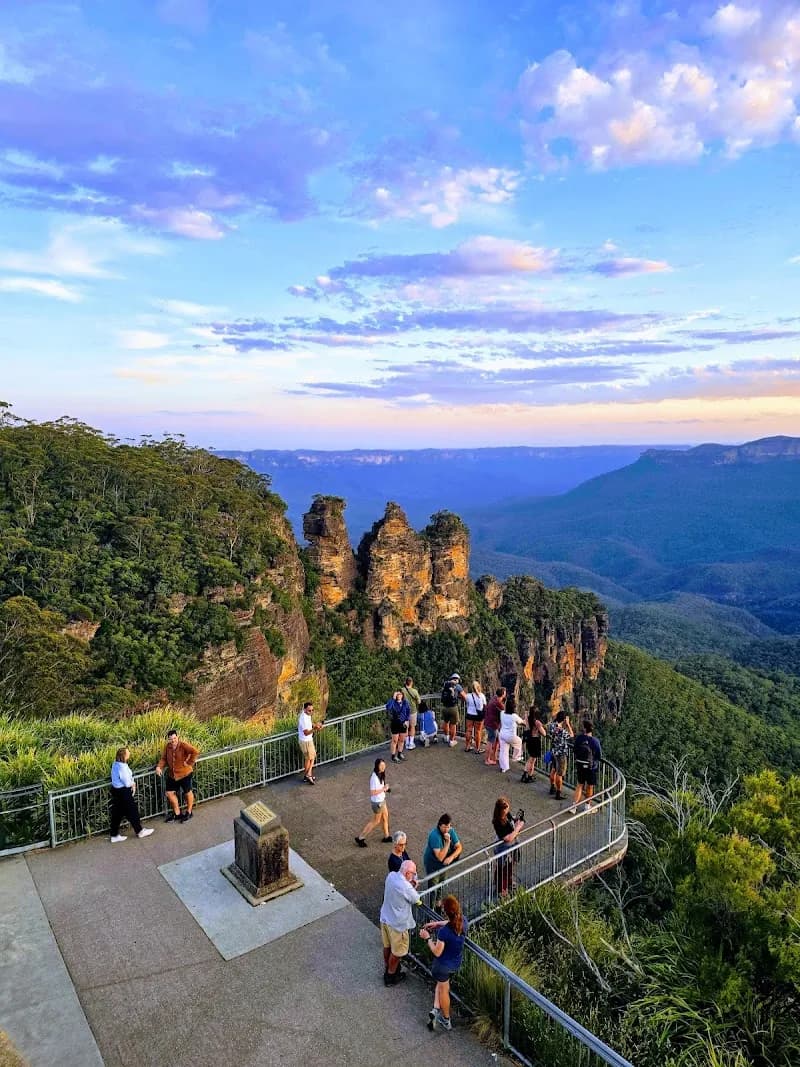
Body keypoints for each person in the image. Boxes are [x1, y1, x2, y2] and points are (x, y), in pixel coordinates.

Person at [421, 895, 468, 1032]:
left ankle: (446, 1019)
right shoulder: (463, 922)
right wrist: (437, 923)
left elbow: (437, 952)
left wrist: (428, 938)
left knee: (443, 990)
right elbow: (451, 922)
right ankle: (435, 1009)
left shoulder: (444, 933)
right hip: (455, 963)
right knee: (442, 986)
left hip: (441, 966)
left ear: (446, 913)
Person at [379, 859, 421, 985]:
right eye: (413, 874)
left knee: (387, 946)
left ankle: (388, 967)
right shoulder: (406, 887)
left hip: (385, 918)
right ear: (408, 873)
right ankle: (391, 975)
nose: (414, 876)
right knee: (397, 952)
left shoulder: (391, 876)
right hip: (398, 925)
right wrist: (414, 886)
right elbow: (417, 900)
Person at [109, 747, 154, 843]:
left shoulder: (115, 764)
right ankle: (140, 831)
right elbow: (126, 782)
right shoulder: (122, 767)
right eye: (128, 752)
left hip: (116, 791)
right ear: (124, 755)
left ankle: (114, 835)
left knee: (117, 813)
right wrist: (133, 784)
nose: (129, 753)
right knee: (132, 811)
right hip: (123, 792)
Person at [156, 728, 200, 822]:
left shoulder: (183, 745)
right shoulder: (168, 747)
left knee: (187, 792)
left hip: (185, 774)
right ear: (168, 739)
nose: (173, 741)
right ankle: (177, 813)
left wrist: (189, 762)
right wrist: (159, 767)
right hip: (173, 775)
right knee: (169, 793)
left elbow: (195, 752)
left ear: (177, 737)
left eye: (175, 738)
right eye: (171, 739)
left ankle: (189, 812)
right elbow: (164, 758)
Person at [355, 758, 393, 847]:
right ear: (377, 766)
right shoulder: (374, 778)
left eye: (384, 765)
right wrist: (384, 789)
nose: (383, 767)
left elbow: (380, 787)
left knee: (385, 817)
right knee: (376, 821)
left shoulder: (381, 774)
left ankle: (386, 836)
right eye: (381, 766)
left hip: (382, 800)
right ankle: (361, 837)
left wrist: (385, 789)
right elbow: (372, 792)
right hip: (377, 803)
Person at [492, 796, 524, 896]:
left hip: (512, 846)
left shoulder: (507, 815)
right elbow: (508, 838)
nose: (507, 810)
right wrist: (518, 827)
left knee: (510, 865)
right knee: (503, 867)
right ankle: (502, 889)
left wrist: (517, 821)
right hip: (503, 847)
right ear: (500, 810)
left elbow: (512, 821)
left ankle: (508, 882)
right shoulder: (497, 822)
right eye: (505, 809)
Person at [423, 813, 463, 886]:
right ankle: (433, 897)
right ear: (439, 825)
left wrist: (451, 857)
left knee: (441, 883)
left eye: (448, 827)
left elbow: (459, 847)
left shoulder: (450, 830)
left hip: (443, 863)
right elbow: (440, 858)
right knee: (433, 885)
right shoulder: (434, 835)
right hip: (433, 865)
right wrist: (448, 842)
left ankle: (439, 897)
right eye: (444, 827)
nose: (446, 830)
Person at [572, 719, 602, 812]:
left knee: (580, 784)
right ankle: (587, 807)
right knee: (590, 786)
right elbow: (599, 755)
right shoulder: (595, 741)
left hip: (580, 764)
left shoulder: (579, 738)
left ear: (584, 728)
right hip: (591, 767)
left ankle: (574, 807)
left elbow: (574, 750)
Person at [547, 709, 573, 801]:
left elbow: (548, 729)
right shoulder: (562, 731)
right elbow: (571, 735)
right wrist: (568, 724)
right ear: (564, 719)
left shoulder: (551, 726)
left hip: (554, 751)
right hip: (561, 754)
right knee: (559, 774)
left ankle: (552, 787)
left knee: (553, 769)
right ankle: (558, 793)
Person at [297, 700, 323, 784]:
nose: (311, 712)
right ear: (304, 709)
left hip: (307, 740)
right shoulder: (303, 718)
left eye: (312, 710)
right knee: (312, 757)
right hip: (306, 741)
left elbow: (310, 724)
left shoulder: (306, 715)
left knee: (309, 758)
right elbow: (306, 732)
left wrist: (315, 725)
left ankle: (306, 776)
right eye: (309, 710)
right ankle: (308, 774)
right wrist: (315, 729)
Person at [521, 706, 547, 783]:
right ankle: (528, 776)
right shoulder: (537, 722)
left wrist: (526, 715)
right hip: (535, 741)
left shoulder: (528, 719)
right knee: (532, 760)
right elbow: (544, 733)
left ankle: (526, 775)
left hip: (529, 740)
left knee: (530, 759)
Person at [498, 702, 525, 773]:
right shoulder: (514, 716)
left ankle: (504, 768)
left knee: (503, 751)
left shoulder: (502, 713)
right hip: (510, 736)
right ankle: (516, 757)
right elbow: (521, 722)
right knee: (519, 742)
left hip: (502, 734)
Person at [439, 673, 464, 747]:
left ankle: (446, 737)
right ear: (457, 679)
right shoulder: (458, 686)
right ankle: (452, 741)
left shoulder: (445, 684)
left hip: (444, 707)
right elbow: (464, 696)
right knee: (453, 724)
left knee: (446, 722)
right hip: (453, 708)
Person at [386, 689, 410, 763]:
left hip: (403, 723)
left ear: (402, 695)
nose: (399, 696)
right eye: (397, 694)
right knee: (394, 740)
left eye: (400, 694)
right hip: (395, 723)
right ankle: (393, 756)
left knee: (402, 739)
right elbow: (388, 707)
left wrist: (407, 720)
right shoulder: (393, 702)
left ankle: (400, 753)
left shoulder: (405, 702)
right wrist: (393, 698)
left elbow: (408, 711)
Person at [483, 687, 505, 765]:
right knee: (490, 742)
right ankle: (487, 759)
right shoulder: (498, 703)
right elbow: (504, 712)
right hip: (492, 725)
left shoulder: (494, 698)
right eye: (504, 693)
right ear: (502, 694)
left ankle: (494, 757)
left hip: (488, 722)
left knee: (497, 740)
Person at [463, 680, 487, 753]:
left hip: (469, 715)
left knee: (468, 730)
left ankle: (467, 747)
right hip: (479, 716)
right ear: (478, 687)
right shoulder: (482, 696)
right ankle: (477, 749)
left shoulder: (468, 696)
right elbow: (484, 706)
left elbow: (467, 705)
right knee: (478, 732)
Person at [402, 676, 421, 751]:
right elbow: (419, 702)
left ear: (405, 682)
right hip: (413, 711)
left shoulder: (402, 690)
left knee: (406, 727)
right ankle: (411, 743)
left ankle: (406, 743)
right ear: (411, 683)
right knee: (412, 727)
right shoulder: (414, 691)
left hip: (404, 712)